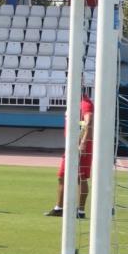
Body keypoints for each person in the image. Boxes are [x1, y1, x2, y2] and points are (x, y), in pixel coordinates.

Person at [45, 90, 94, 219]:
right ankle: (59, 208)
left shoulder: (85, 103)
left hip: (80, 146)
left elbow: (89, 123)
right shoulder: (75, 103)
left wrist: (83, 143)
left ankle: (81, 211)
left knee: (80, 178)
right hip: (71, 145)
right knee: (62, 176)